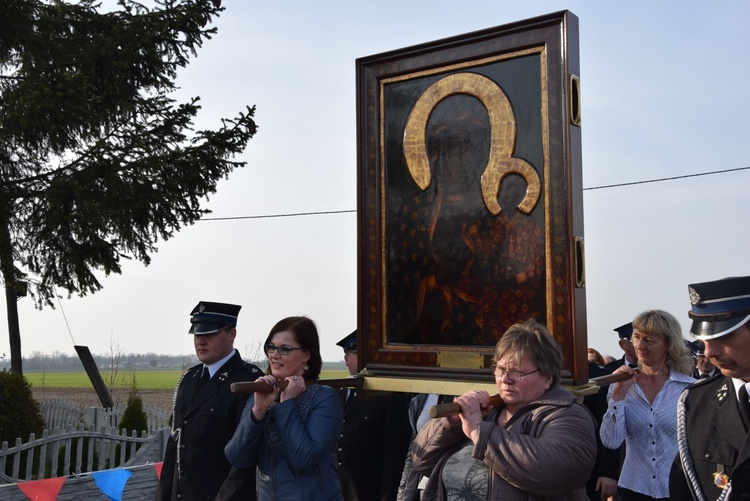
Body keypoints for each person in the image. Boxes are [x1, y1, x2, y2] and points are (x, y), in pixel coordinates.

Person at [411, 319, 597, 500]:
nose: (505, 380)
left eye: (518, 372)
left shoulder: (569, 415)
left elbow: (554, 472)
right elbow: (421, 461)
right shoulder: (486, 411)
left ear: (547, 377)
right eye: (500, 370)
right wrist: (452, 423)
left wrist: (478, 431)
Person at [224, 316, 344, 500]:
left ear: (307, 355)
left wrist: (287, 404)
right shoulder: (262, 395)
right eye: (271, 347)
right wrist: (257, 412)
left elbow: (304, 458)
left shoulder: (324, 398)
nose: (274, 355)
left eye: (285, 349)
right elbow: (237, 457)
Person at [156, 301, 263, 501]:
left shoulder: (249, 382)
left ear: (232, 334)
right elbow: (174, 449)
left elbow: (243, 462)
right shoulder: (188, 379)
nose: (201, 341)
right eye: (197, 334)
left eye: (210, 334)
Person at [599, 310, 694, 501]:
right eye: (636, 337)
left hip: (678, 489)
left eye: (649, 340)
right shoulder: (621, 385)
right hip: (633, 488)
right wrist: (618, 395)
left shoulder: (688, 388)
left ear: (668, 344)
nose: (640, 346)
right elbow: (611, 441)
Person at [670, 275, 750, 500]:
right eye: (705, 340)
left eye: (724, 336)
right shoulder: (697, 401)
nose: (708, 352)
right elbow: (683, 487)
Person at [336, 330, 412, 501]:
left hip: (368, 494)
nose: (363, 359)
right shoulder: (335, 395)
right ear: (346, 359)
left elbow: (394, 458)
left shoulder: (391, 396)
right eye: (356, 354)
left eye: (368, 354)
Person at [397, 392, 454, 501]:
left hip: (449, 487)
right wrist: (403, 495)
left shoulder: (466, 395)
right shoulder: (422, 396)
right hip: (422, 487)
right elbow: (414, 448)